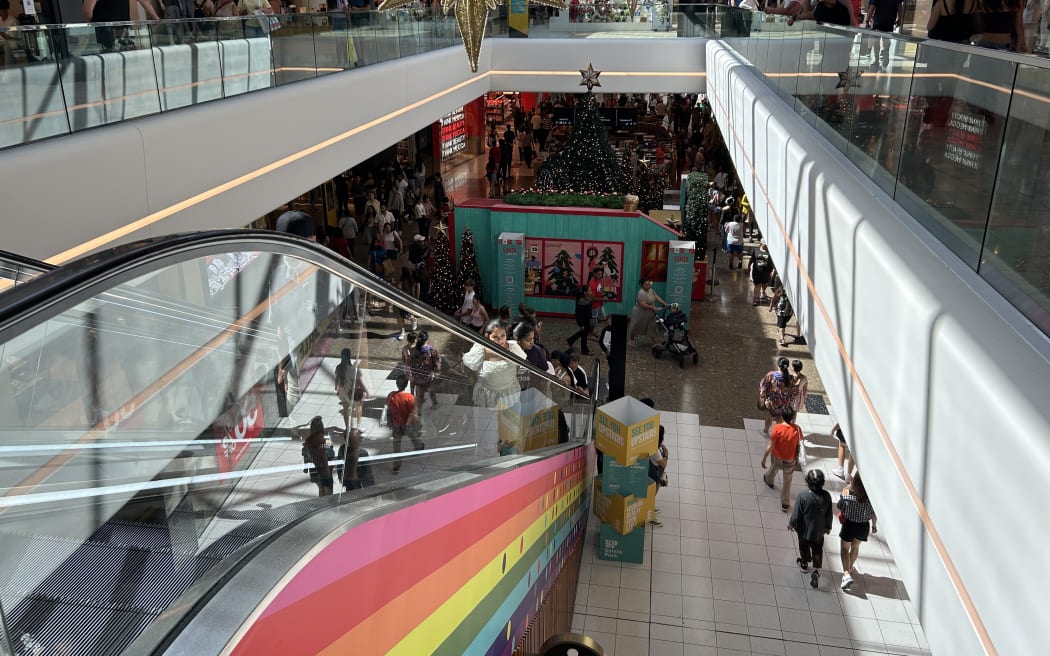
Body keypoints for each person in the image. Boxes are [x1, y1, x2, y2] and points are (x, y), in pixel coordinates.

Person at [463, 320, 526, 456]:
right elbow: (470, 363)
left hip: (510, 397)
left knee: (511, 436)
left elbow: (523, 362)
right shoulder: (480, 347)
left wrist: (506, 352)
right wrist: (487, 355)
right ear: (487, 336)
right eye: (495, 337)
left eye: (502, 336)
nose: (500, 340)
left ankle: (509, 463)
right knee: (486, 438)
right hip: (487, 398)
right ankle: (489, 466)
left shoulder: (513, 346)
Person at [789, 469, 834, 588]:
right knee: (817, 549)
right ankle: (816, 570)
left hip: (803, 530)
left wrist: (792, 523)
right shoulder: (826, 496)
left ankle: (804, 564)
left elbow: (797, 513)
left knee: (804, 547)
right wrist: (828, 527)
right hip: (819, 531)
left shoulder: (803, 495)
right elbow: (829, 514)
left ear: (808, 482)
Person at [838, 473, 878, 589]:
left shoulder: (847, 495)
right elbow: (874, 514)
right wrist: (874, 526)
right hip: (863, 527)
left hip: (849, 525)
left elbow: (841, 507)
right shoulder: (871, 499)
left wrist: (845, 490)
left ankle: (846, 574)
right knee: (855, 547)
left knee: (844, 549)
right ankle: (849, 569)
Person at [761, 407, 803, 512]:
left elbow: (771, 444)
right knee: (787, 480)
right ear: (792, 417)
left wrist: (764, 458)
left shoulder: (777, 428)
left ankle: (769, 480)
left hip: (777, 456)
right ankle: (785, 503)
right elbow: (800, 440)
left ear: (782, 416)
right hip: (790, 458)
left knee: (774, 467)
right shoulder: (797, 429)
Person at [386, 375, 423, 474]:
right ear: (406, 385)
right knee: (413, 436)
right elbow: (413, 412)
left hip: (396, 424)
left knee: (396, 445)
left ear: (397, 384)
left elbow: (388, 409)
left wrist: (389, 422)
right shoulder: (410, 397)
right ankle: (419, 446)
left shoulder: (391, 395)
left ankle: (396, 465)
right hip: (408, 424)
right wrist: (418, 424)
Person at [296, 416, 334, 496]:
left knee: (321, 487)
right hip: (325, 471)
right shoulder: (326, 443)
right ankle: (326, 503)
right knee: (328, 489)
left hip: (314, 471)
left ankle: (322, 501)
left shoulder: (307, 444)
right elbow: (331, 457)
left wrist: (306, 468)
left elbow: (306, 457)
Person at [759, 357, 797, 433]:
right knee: (780, 419)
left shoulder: (771, 375)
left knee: (769, 417)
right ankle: (777, 433)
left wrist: (763, 397)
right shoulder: (791, 378)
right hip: (785, 404)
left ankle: (765, 431)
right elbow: (794, 392)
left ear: (778, 365)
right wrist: (790, 401)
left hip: (772, 402)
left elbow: (763, 388)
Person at [334, 347, 366, 432]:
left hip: (342, 392)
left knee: (345, 409)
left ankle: (347, 428)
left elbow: (337, 380)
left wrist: (337, 390)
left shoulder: (338, 367)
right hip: (351, 392)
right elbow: (359, 382)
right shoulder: (352, 369)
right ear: (349, 357)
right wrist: (364, 391)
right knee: (359, 406)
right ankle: (358, 426)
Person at [408, 330, 441, 411]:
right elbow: (437, 362)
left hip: (417, 376)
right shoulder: (431, 350)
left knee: (419, 393)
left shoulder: (413, 350)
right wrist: (437, 371)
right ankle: (434, 403)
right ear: (427, 339)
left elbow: (410, 362)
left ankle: (419, 411)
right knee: (431, 389)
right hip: (428, 375)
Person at [627, 279, 667, 344]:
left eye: (649, 284)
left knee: (651, 326)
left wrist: (664, 303)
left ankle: (655, 341)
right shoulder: (641, 293)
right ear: (642, 285)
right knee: (637, 326)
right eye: (646, 285)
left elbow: (656, 297)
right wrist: (653, 307)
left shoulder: (651, 290)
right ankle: (631, 340)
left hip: (650, 312)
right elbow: (643, 305)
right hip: (640, 313)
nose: (648, 286)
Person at [865, 0, 904, 66]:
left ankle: (876, 60)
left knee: (876, 41)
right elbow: (899, 7)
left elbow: (872, 7)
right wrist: (900, 19)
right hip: (890, 21)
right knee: (886, 39)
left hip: (878, 21)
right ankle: (886, 53)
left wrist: (867, 21)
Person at [566, 283, 594, 355]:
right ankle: (585, 350)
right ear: (585, 292)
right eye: (589, 290)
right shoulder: (581, 301)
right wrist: (581, 324)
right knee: (584, 334)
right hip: (583, 320)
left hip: (587, 318)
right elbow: (579, 314)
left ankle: (570, 340)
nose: (591, 292)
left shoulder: (589, 298)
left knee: (584, 332)